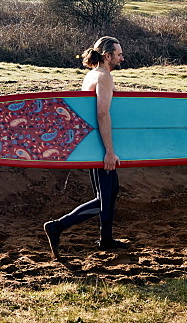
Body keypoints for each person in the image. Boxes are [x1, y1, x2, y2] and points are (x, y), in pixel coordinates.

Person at [43, 36, 130, 259]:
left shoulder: (92, 74)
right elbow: (101, 114)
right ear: (107, 55)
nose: (122, 57)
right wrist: (109, 151)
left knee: (110, 192)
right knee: (104, 197)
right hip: (100, 144)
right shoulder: (104, 77)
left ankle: (106, 239)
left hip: (92, 142)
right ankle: (57, 226)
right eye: (118, 54)